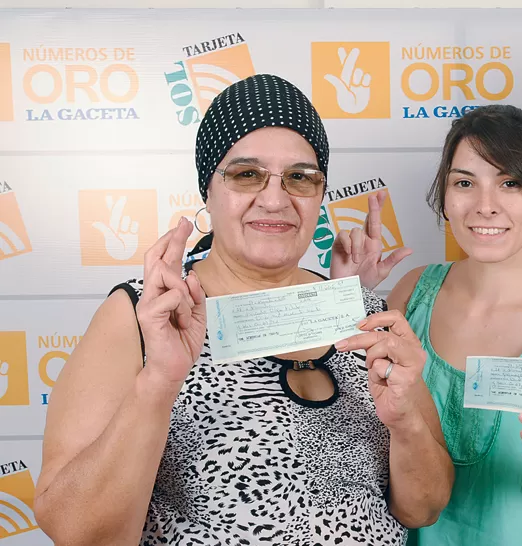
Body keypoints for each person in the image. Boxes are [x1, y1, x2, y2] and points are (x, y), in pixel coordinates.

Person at [34, 74, 453, 546]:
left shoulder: (361, 314)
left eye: (300, 177)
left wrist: (405, 423)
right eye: (246, 174)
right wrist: (159, 382)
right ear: (207, 190)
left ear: (319, 195)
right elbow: (78, 532)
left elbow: (424, 507)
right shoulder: (143, 316)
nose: (275, 199)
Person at [338, 104, 522, 546]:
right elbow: (350, 423)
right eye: (465, 183)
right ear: (445, 194)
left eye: (509, 183)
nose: (485, 206)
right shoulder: (412, 292)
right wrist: (346, 296)